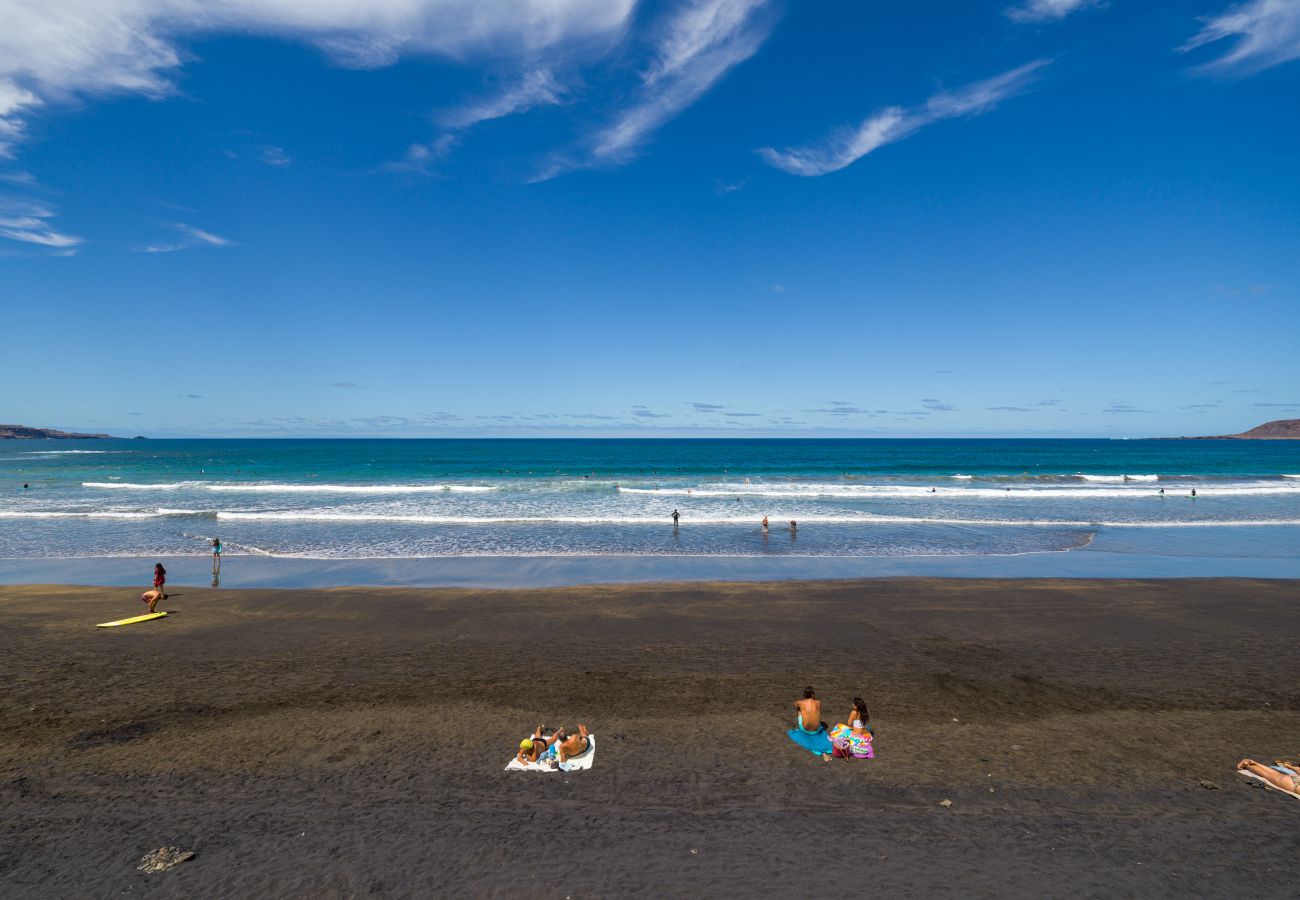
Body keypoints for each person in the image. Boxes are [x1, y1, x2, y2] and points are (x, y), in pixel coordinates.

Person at [787, 687, 833, 760]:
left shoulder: (801, 703)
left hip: (805, 730)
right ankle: (824, 753)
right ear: (812, 694)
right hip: (816, 731)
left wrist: (800, 703)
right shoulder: (818, 702)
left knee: (799, 709)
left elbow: (794, 704)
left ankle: (801, 724)